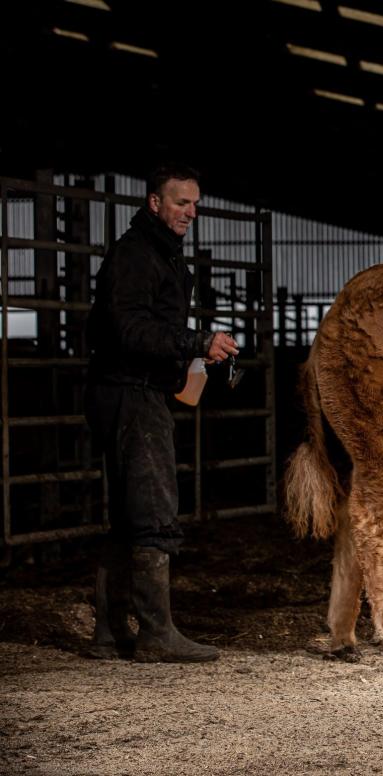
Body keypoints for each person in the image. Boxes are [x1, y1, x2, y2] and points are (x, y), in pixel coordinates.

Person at [84, 164, 238, 663]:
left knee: (131, 512)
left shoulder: (159, 255)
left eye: (194, 204)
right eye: (179, 202)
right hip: (131, 393)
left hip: (132, 389)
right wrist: (196, 341)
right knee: (153, 508)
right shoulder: (136, 256)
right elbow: (128, 328)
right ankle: (155, 633)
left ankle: (109, 632)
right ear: (154, 203)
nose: (190, 212)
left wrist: (186, 359)